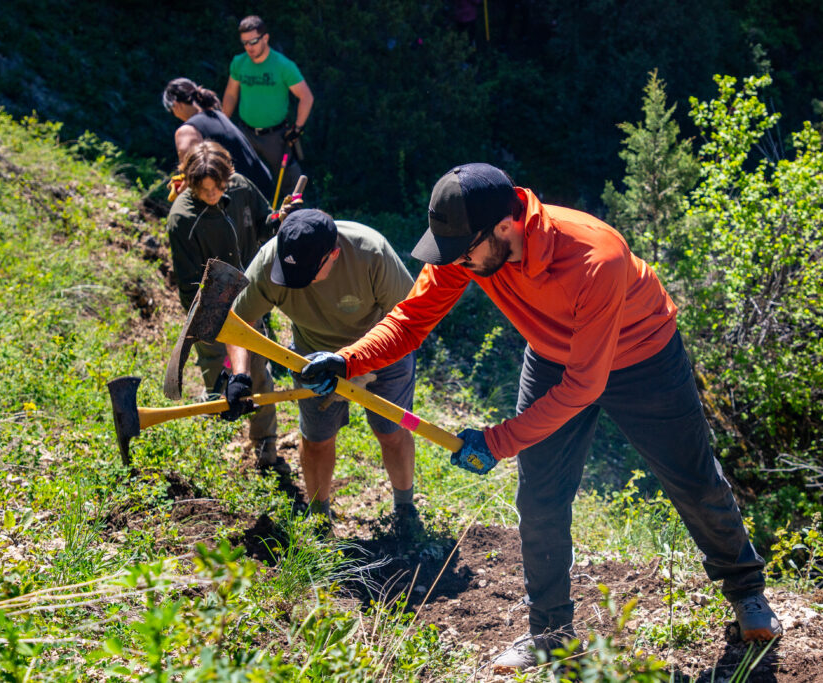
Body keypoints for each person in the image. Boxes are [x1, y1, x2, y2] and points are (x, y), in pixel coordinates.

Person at [298, 163, 783, 670]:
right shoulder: (469, 247)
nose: (456, 263)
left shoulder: (597, 256)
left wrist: (499, 440)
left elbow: (584, 386)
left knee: (693, 480)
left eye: (464, 252)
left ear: (505, 228)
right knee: (540, 497)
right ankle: (549, 634)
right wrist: (349, 358)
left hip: (644, 357)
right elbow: (411, 319)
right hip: (555, 354)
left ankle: (747, 592)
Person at [221, 208, 420, 536]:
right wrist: (239, 375)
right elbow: (239, 325)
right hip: (313, 361)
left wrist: (357, 363)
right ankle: (319, 519)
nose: (297, 286)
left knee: (391, 432)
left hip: (384, 350)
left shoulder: (371, 253)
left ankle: (405, 508)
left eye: (308, 275)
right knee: (317, 439)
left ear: (334, 255)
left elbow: (410, 321)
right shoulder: (271, 262)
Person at [166, 140, 284, 474]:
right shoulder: (182, 219)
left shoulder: (242, 188)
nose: (214, 194)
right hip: (211, 307)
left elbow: (265, 223)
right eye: (205, 191)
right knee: (217, 379)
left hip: (248, 300)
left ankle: (266, 448)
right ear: (191, 183)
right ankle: (213, 454)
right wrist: (208, 324)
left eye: (219, 187)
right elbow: (188, 281)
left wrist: (279, 219)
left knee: (257, 374)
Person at [221, 15, 313, 199]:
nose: (249, 47)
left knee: (291, 181)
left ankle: (294, 219)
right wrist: (223, 122)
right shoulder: (239, 63)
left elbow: (306, 97)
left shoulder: (283, 66)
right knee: (238, 176)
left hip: (276, 136)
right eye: (245, 43)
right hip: (245, 133)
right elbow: (231, 94)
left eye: (253, 42)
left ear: (265, 38)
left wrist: (298, 129)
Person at [162, 78, 274, 200]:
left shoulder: (187, 130)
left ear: (176, 105)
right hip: (263, 189)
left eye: (171, 111)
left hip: (238, 197)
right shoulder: (218, 116)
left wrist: (179, 193)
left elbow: (192, 177)